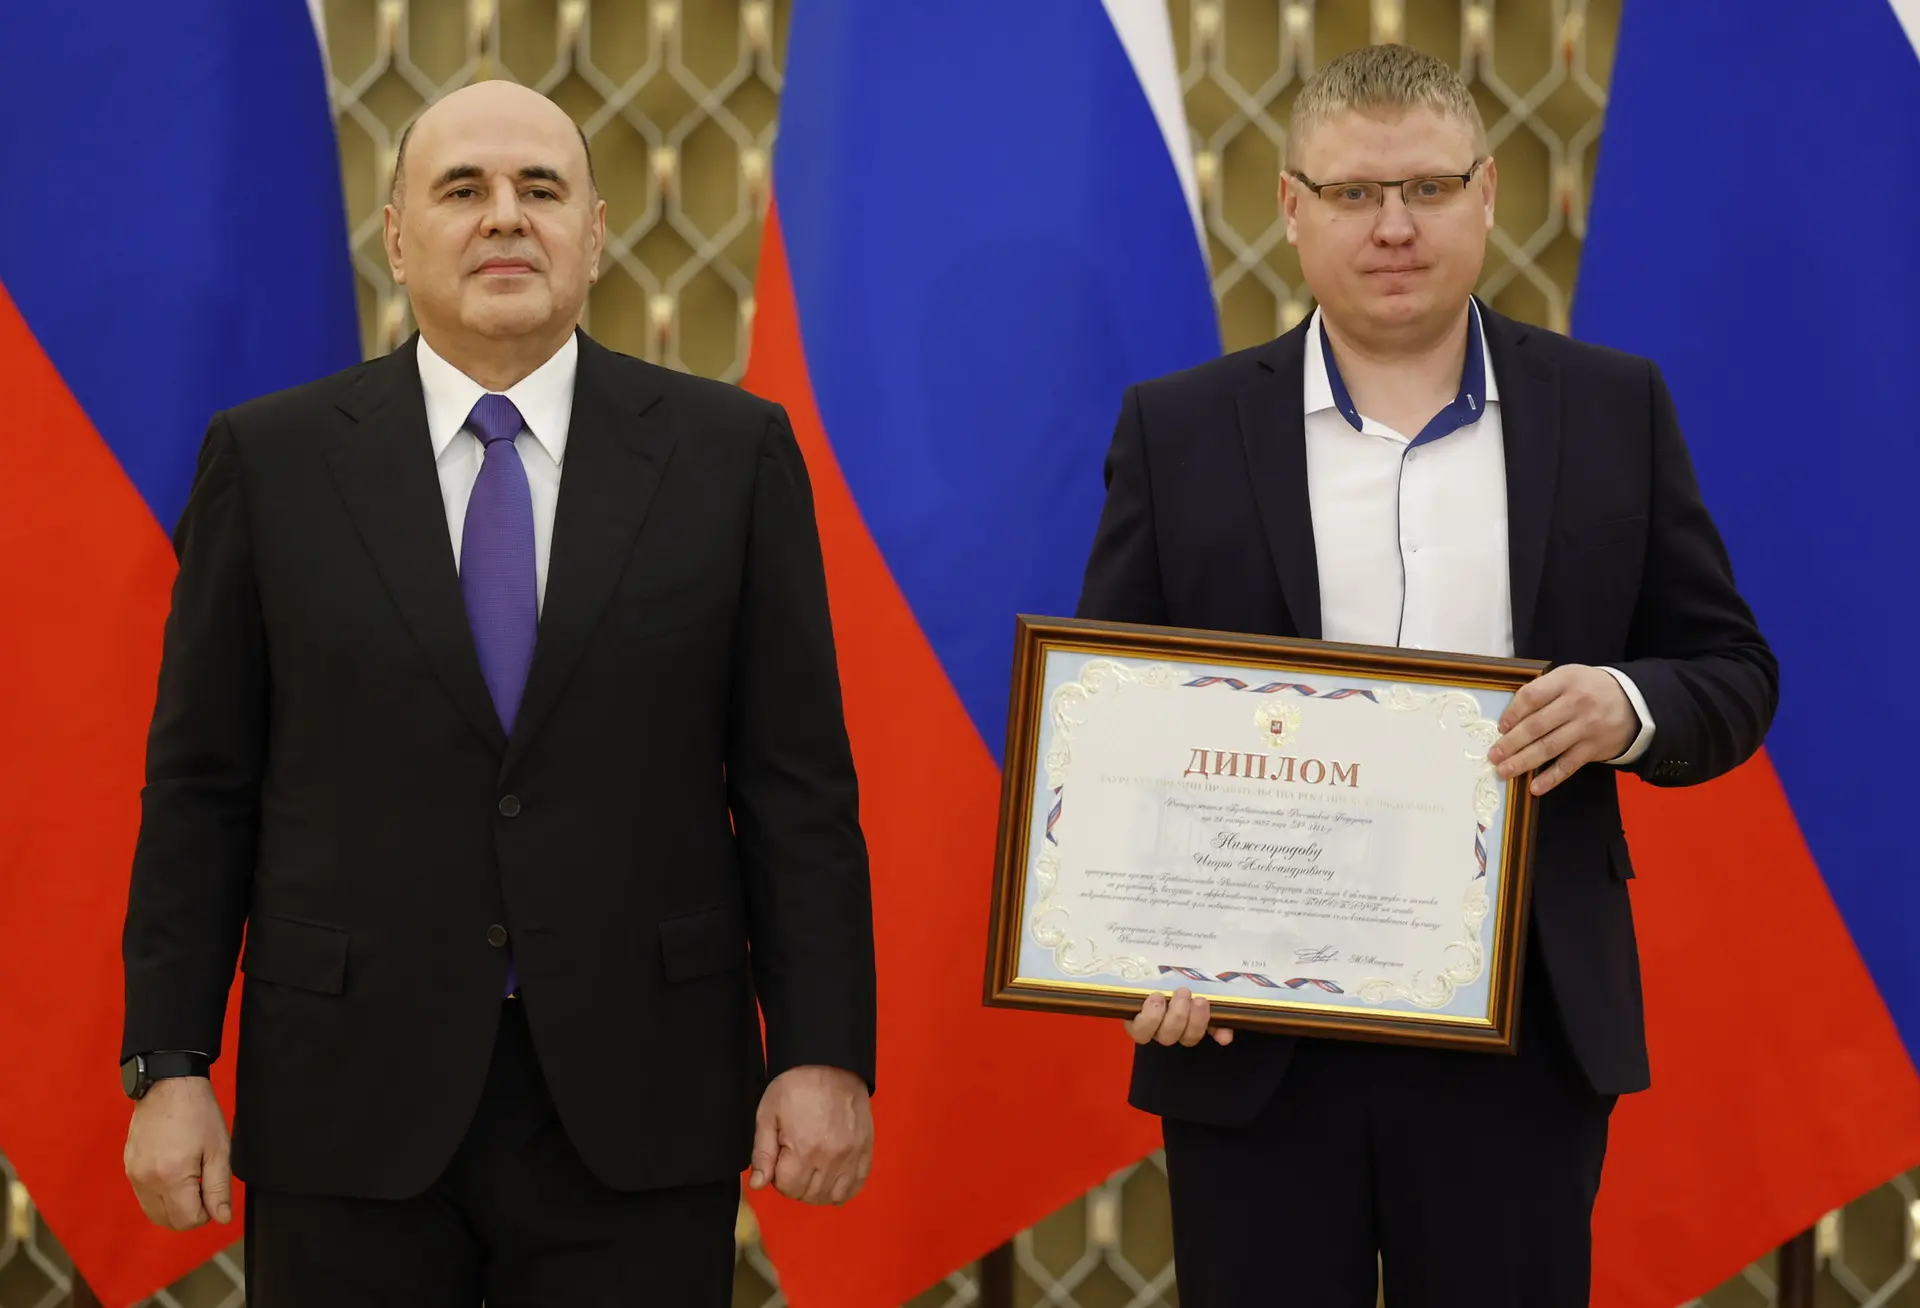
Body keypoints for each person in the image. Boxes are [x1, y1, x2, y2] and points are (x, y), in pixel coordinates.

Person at [117, 79, 876, 1305]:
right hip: (347, 1099)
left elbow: (798, 790)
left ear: (597, 230)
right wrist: (169, 1061)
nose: (506, 216)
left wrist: (823, 1051)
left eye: (542, 189)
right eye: (463, 189)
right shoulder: (270, 461)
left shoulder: (730, 456)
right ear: (397, 236)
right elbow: (202, 787)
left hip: (640, 1100)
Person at [1076, 43, 1776, 1308]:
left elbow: (1731, 671)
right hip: (1250, 1026)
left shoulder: (1611, 409)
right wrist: (1138, 946)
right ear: (1290, 207)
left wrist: (1623, 706)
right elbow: (1110, 721)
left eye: (1428, 189)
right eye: (1353, 193)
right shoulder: (1177, 431)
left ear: (1487, 192)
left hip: (1521, 1022)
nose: (1393, 226)